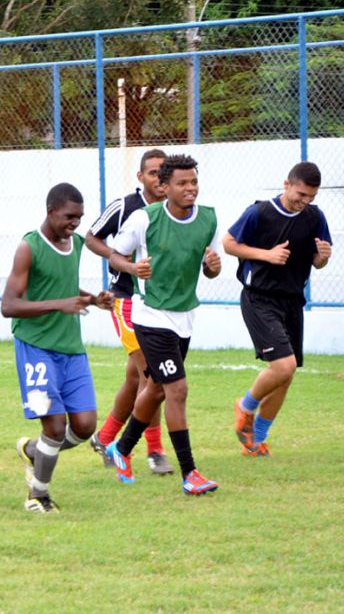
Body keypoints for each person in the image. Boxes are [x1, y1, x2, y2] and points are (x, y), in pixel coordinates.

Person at [104, 154, 223, 496]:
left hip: (184, 316)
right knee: (177, 390)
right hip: (151, 316)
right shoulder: (145, 219)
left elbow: (211, 270)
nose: (190, 189)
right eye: (182, 183)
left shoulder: (209, 219)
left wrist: (212, 266)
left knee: (156, 389)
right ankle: (190, 473)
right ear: (165, 186)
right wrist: (132, 270)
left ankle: (121, 449)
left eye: (194, 182)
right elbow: (116, 254)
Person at [3, 183, 113, 513]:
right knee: (54, 425)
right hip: (36, 347)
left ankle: (36, 451)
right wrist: (59, 304)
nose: (74, 224)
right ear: (51, 211)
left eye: (79, 218)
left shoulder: (76, 244)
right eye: (69, 217)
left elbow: (62, 286)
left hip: (71, 348)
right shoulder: (29, 247)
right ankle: (38, 495)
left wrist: (93, 299)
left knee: (85, 426)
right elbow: (9, 305)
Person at [222, 161, 332, 456]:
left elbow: (318, 261)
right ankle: (244, 407)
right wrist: (265, 255)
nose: (304, 202)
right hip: (259, 298)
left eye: (310, 197)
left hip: (292, 300)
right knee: (284, 365)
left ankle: (256, 441)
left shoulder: (314, 217)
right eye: (300, 194)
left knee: (287, 374)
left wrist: (323, 257)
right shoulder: (259, 213)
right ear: (286, 185)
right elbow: (229, 243)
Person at [85, 148, 174, 475]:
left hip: (162, 303)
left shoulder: (174, 209)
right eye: (153, 173)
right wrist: (122, 261)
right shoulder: (126, 206)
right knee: (154, 374)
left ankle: (105, 437)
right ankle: (154, 450)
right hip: (126, 300)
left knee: (137, 376)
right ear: (141, 177)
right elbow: (91, 237)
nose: (159, 179)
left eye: (164, 173)